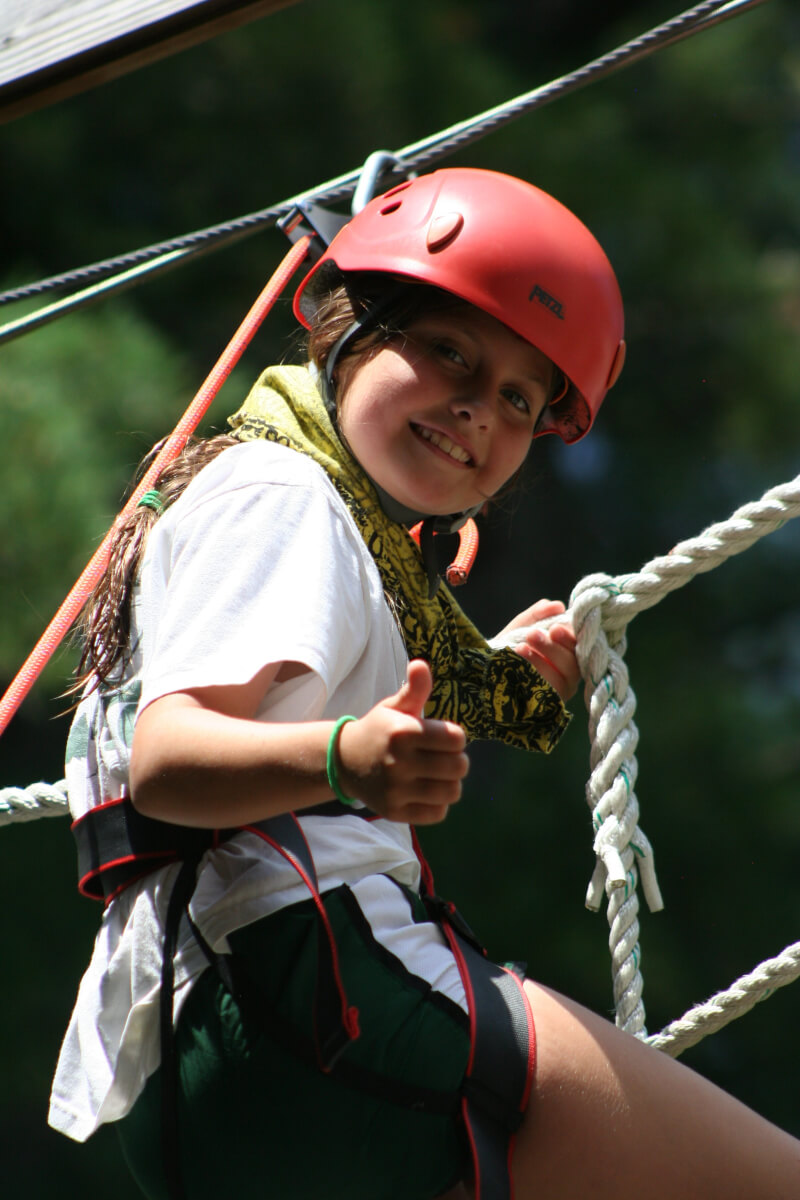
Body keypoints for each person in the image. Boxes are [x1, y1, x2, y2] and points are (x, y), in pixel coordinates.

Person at [49, 167, 800, 1200]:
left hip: (210, 1065)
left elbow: (280, 722)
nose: (475, 410)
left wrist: (429, 706)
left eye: (517, 400)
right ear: (347, 326)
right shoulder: (286, 498)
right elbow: (168, 765)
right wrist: (344, 758)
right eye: (447, 350)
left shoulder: (287, 507)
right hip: (320, 997)